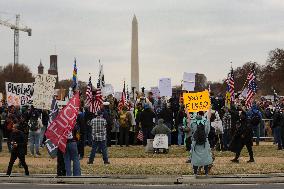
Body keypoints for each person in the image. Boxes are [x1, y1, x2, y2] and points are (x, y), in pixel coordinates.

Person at [189, 110, 213, 178]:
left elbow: (191, 130)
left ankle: (195, 173)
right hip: (205, 142)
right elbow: (207, 131)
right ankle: (206, 173)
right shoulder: (206, 122)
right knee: (205, 158)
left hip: (195, 143)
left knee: (195, 158)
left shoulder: (193, 123)